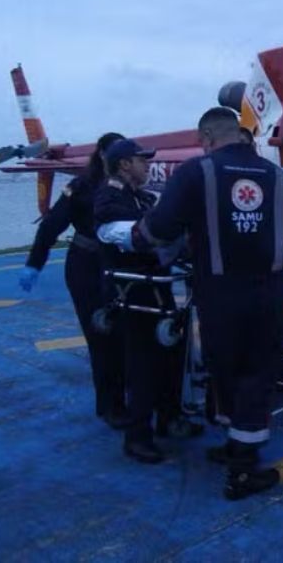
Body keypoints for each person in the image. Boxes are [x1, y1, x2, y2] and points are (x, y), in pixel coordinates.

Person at [134, 107, 283, 500]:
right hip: (270, 293)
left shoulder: (195, 172)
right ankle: (240, 453)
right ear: (240, 135)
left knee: (226, 371)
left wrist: (136, 238)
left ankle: (240, 470)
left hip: (219, 297)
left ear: (205, 138)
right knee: (258, 375)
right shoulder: (275, 175)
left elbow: (158, 228)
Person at [18, 131, 130, 429]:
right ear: (104, 156)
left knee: (125, 333)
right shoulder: (81, 187)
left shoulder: (130, 187)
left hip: (119, 266)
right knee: (101, 335)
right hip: (87, 267)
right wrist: (34, 263)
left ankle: (129, 395)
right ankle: (111, 406)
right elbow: (51, 226)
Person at [95, 138, 186, 464]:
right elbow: (136, 234)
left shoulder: (140, 197)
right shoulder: (109, 199)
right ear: (123, 165)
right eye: (141, 161)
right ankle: (137, 436)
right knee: (142, 365)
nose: (147, 165)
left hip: (156, 290)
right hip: (133, 295)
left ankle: (169, 418)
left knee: (172, 355)